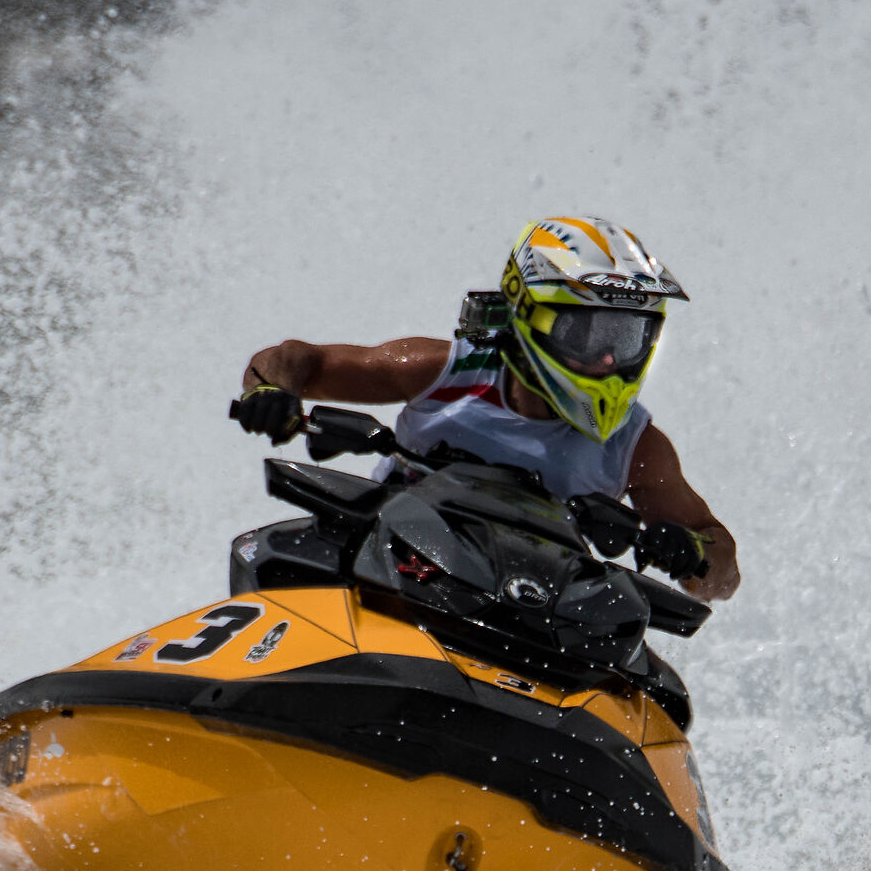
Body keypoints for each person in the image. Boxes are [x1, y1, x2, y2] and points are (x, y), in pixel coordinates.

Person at [233, 217, 740, 601]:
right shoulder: (440, 370)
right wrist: (268, 392)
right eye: (589, 333)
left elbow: (724, 570)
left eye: (626, 338)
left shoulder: (637, 446)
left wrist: (693, 553)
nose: (608, 359)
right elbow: (292, 360)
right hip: (389, 564)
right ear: (531, 315)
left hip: (530, 609)